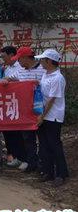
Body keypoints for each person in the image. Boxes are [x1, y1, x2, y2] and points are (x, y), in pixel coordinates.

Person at [7, 46, 45, 173]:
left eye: (19, 59)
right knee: (28, 138)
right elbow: (8, 78)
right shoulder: (20, 71)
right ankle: (32, 163)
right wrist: (5, 81)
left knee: (43, 139)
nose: (18, 62)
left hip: (41, 110)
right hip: (26, 111)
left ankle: (44, 165)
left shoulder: (43, 69)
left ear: (25, 58)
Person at [35, 49, 69, 187]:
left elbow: (51, 100)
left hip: (53, 116)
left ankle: (61, 173)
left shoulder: (57, 78)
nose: (41, 62)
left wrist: (42, 116)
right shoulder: (46, 74)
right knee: (44, 145)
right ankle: (48, 171)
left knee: (54, 145)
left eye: (43, 60)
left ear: (49, 61)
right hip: (43, 115)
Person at [0, 46, 25, 168]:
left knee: (19, 133)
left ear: (11, 55)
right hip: (8, 104)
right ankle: (15, 156)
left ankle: (23, 157)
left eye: (4, 56)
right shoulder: (7, 68)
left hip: (20, 103)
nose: (2, 59)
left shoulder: (20, 67)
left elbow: (20, 80)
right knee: (9, 132)